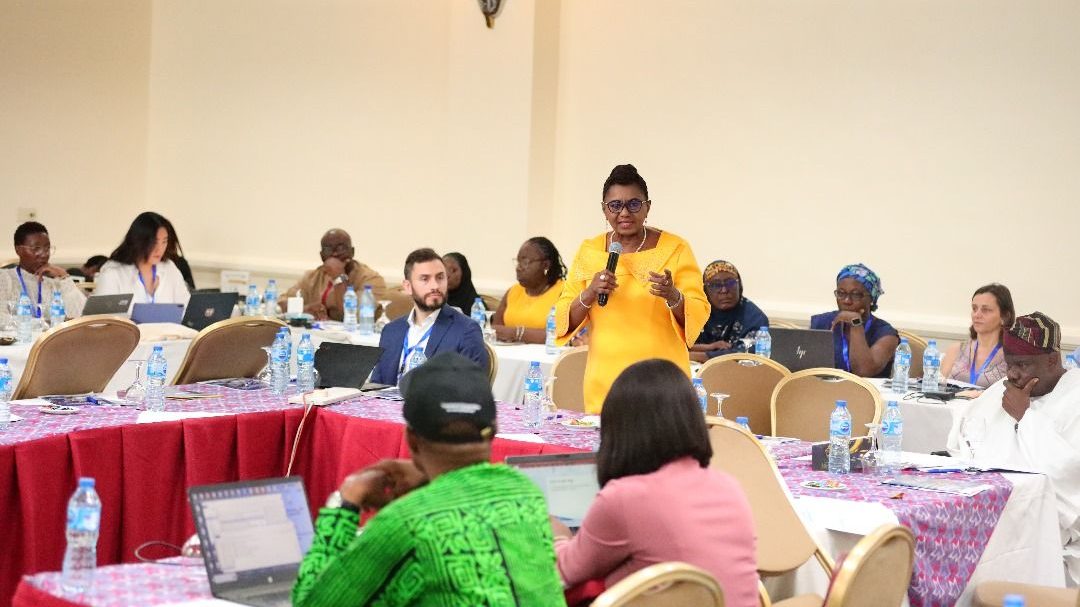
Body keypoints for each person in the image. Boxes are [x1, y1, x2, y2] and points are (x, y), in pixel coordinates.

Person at [292, 353, 566, 606]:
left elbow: (311, 603)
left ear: (411, 440)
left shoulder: (405, 523)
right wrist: (433, 483)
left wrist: (346, 500)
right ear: (493, 431)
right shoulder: (525, 491)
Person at [551, 359, 758, 606]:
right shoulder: (728, 487)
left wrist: (557, 535)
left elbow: (562, 574)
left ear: (617, 429)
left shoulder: (624, 498)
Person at [554, 164, 709, 412]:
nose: (624, 213)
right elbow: (563, 319)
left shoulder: (674, 248)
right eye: (615, 205)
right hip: (605, 382)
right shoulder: (590, 250)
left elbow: (698, 314)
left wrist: (673, 296)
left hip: (661, 382)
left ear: (648, 207)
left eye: (634, 204)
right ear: (604, 209)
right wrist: (590, 292)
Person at [946, 312, 1080, 585]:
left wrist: (1025, 417)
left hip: (1048, 524)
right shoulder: (1001, 390)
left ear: (1052, 360)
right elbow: (963, 441)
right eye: (1009, 364)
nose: (1012, 374)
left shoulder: (1074, 396)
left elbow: (1069, 475)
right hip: (988, 503)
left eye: (1022, 364)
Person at [370, 248, 488, 385]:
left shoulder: (466, 331)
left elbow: (471, 390)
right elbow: (375, 387)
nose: (435, 286)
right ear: (408, 286)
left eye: (440, 277)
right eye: (425, 279)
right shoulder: (391, 331)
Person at [809, 263, 899, 378]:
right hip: (824, 388)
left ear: (871, 299)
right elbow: (804, 366)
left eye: (856, 295)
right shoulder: (821, 323)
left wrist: (855, 323)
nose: (847, 300)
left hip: (866, 389)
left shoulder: (886, 334)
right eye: (841, 293)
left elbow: (863, 371)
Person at [279, 228, 390, 321]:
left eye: (341, 248)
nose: (335, 254)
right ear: (322, 255)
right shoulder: (312, 277)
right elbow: (282, 303)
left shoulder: (371, 279)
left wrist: (339, 277)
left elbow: (355, 316)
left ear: (352, 252)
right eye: (328, 249)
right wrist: (304, 310)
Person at [94, 212, 191, 306]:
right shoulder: (113, 274)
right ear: (139, 241)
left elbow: (187, 308)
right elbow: (102, 315)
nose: (159, 249)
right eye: (154, 242)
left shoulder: (169, 268)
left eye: (164, 242)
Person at [0, 221, 86, 323]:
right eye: (36, 248)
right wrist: (42, 323)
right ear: (18, 250)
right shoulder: (5, 278)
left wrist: (64, 277)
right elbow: (2, 318)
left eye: (47, 248)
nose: (44, 254)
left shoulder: (54, 283)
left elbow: (81, 316)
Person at [690, 259, 769, 363]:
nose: (724, 290)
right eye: (715, 285)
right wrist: (710, 347)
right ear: (705, 290)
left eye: (730, 283)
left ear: (739, 285)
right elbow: (679, 344)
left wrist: (697, 356)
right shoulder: (696, 311)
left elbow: (747, 354)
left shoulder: (755, 317)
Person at [492, 237, 567, 344]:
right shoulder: (513, 291)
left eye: (525, 262)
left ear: (546, 265)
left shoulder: (564, 292)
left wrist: (517, 333)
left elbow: (561, 335)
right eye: (518, 262)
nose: (518, 268)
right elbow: (495, 330)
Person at [939, 284, 1015, 389]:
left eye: (986, 310)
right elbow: (938, 389)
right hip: (953, 400)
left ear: (1004, 317)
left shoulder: (1012, 356)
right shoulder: (956, 350)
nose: (977, 315)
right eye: (974, 309)